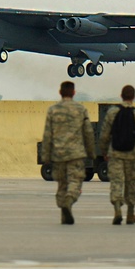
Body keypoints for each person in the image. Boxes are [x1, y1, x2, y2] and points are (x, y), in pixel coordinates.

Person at [40, 81, 96, 225]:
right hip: (76, 154)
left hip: (58, 154)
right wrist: (91, 153)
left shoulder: (53, 110)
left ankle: (64, 210)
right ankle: (69, 201)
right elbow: (88, 133)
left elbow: (47, 135)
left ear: (60, 92)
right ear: (74, 93)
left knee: (61, 184)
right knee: (75, 182)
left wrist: (45, 155)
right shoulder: (80, 109)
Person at [97, 85, 135, 225]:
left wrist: (104, 151)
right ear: (133, 97)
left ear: (121, 96)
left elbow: (104, 135)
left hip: (115, 154)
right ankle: (130, 214)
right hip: (132, 156)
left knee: (116, 182)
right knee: (130, 184)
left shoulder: (112, 113)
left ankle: (117, 210)